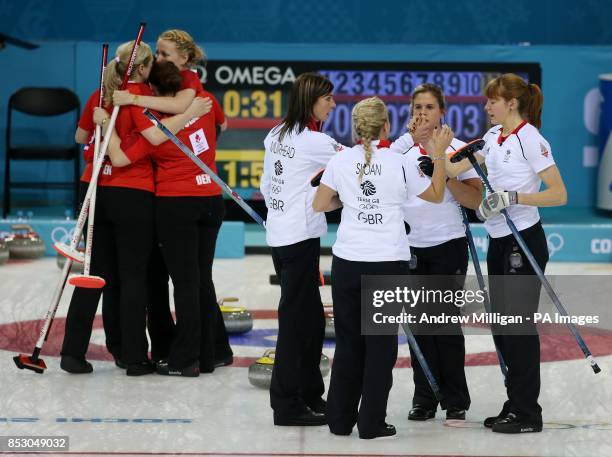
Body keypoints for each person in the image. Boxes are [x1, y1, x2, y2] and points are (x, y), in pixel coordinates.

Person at [313, 96, 452, 439]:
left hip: (347, 261)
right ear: (387, 127)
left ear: (356, 128)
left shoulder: (341, 159)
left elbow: (319, 203)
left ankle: (339, 420)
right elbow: (436, 194)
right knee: (380, 347)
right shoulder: (400, 162)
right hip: (387, 263)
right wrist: (437, 153)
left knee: (347, 344)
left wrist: (349, 201)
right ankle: (371, 423)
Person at [69, 40, 207, 376]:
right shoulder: (141, 99)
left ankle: (73, 352)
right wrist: (188, 114)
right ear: (144, 68)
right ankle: (132, 356)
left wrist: (104, 123)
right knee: (132, 277)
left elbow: (78, 136)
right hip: (132, 191)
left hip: (94, 187)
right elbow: (155, 138)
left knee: (96, 274)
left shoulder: (100, 95)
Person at [445, 73, 567, 433]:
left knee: (517, 327)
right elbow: (455, 167)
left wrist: (514, 198)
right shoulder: (492, 139)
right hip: (499, 239)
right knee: (502, 326)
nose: (486, 106)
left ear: (511, 103)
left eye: (492, 101)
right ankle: (514, 403)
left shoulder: (530, 138)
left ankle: (528, 412)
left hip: (524, 240)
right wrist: (436, 158)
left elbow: (559, 194)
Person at [98, 60, 227, 376]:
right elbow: (223, 125)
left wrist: (108, 124)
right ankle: (209, 354)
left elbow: (124, 156)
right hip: (211, 197)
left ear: (154, 89)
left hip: (176, 202)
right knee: (201, 280)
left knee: (183, 284)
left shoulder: (154, 122)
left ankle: (185, 359)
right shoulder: (206, 104)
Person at [259, 72, 344, 426]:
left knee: (309, 320)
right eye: (328, 99)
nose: (333, 104)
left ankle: (310, 394)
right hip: (297, 241)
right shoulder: (316, 141)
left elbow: (266, 185)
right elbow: (362, 162)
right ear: (311, 101)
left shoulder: (275, 133)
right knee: (296, 324)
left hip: (282, 236)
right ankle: (286, 404)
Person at [400, 84, 483, 422]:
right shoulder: (400, 152)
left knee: (444, 322)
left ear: (442, 113)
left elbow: (476, 201)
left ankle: (454, 398)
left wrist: (442, 170)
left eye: (429, 107)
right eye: (417, 106)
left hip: (448, 245)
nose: (422, 113)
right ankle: (425, 397)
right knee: (420, 325)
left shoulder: (459, 151)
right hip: (409, 247)